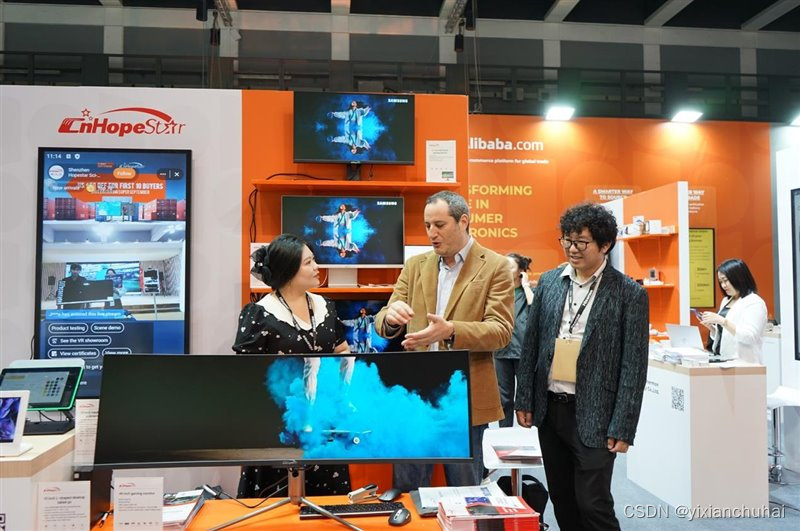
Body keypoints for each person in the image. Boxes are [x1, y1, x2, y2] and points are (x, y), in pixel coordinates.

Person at [515, 202, 649, 531]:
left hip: (596, 413)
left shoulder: (629, 293)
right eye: (567, 240)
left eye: (582, 242)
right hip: (551, 409)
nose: (572, 249)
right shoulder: (549, 282)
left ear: (605, 245)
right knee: (562, 499)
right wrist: (524, 399)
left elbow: (633, 367)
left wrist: (624, 426)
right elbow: (531, 345)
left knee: (593, 503)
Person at [375, 190, 514, 490]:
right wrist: (390, 317)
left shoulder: (495, 266)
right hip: (413, 394)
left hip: (463, 396)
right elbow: (383, 318)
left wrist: (451, 330)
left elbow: (501, 331)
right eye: (427, 225)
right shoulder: (415, 265)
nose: (431, 233)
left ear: (463, 221)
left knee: (465, 493)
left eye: (439, 225)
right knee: (408, 490)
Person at [232, 234, 354, 497]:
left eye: (314, 260)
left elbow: (343, 351)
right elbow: (244, 378)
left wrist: (340, 392)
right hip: (278, 428)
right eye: (308, 263)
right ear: (288, 271)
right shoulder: (259, 314)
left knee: (327, 507)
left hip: (323, 425)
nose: (317, 267)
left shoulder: (326, 306)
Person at [700, 258, 768, 364]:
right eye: (721, 282)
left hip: (745, 362)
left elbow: (750, 337)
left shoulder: (755, 302)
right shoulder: (726, 300)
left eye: (725, 280)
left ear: (739, 278)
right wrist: (713, 329)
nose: (723, 285)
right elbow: (726, 334)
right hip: (723, 359)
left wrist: (722, 321)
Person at [493, 253, 534, 428]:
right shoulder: (498, 292)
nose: (505, 270)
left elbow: (536, 309)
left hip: (523, 350)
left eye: (510, 267)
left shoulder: (530, 292)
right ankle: (505, 431)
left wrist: (526, 286)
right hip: (501, 349)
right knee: (504, 397)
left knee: (526, 395)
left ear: (521, 271)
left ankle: (530, 432)